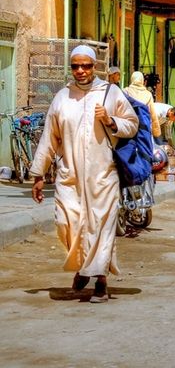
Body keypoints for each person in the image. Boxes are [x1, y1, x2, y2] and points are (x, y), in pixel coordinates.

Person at [29, 45, 139, 303]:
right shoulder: (62, 97)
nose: (81, 71)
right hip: (70, 176)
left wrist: (111, 120)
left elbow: (132, 125)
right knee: (66, 223)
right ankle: (83, 266)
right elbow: (49, 138)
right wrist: (38, 175)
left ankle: (100, 279)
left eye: (86, 66)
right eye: (76, 66)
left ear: (94, 66)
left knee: (100, 226)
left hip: (103, 175)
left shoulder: (111, 94)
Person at [124, 71, 161, 139]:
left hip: (129, 125)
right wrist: (156, 131)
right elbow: (152, 114)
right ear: (142, 80)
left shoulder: (125, 91)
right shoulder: (148, 94)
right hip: (143, 127)